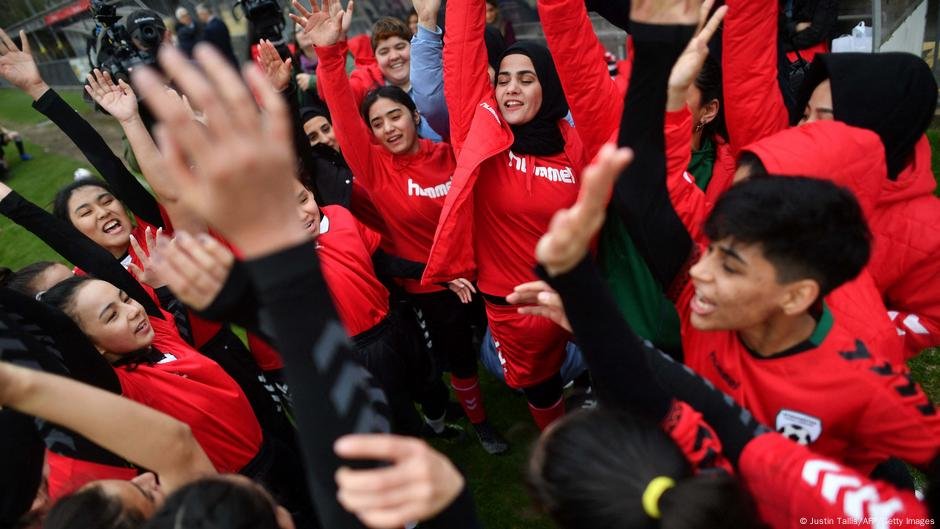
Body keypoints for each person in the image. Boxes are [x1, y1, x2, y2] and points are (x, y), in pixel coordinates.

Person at [579, 0, 940, 478]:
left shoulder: (861, 358)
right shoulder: (703, 297)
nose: (699, 268)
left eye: (731, 256)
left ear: (798, 293)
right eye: (727, 220)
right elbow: (651, 192)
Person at [294, 1, 507, 454]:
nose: (388, 128)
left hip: (482, 273)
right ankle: (482, 423)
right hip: (432, 290)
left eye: (395, 116)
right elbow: (344, 119)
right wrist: (330, 55)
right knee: (462, 360)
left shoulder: (449, 153)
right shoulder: (375, 168)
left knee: (504, 340)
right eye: (377, 123)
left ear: (415, 115)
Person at [421, 0, 589, 431]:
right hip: (513, 305)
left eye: (526, 79)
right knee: (539, 385)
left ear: (548, 87)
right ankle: (557, 450)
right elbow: (462, 62)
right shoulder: (482, 136)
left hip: (579, 291)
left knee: (606, 366)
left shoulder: (574, 142)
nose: (510, 88)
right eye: (505, 79)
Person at [299, 4, 443, 141]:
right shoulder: (366, 84)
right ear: (375, 58)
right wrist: (334, 44)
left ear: (412, 47)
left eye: (400, 47)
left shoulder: (436, 71)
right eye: (384, 51)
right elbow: (332, 97)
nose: (394, 56)